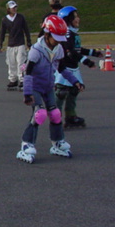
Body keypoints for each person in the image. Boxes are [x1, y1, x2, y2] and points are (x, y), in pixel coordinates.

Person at [17, 15, 83, 164]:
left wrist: (75, 82)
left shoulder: (58, 49)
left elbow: (62, 69)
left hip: (48, 87)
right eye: (56, 37)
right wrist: (27, 93)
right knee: (39, 114)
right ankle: (27, 144)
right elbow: (28, 73)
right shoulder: (36, 51)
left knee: (55, 114)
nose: (58, 41)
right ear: (47, 34)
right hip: (35, 87)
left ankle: (57, 142)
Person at [55, 6, 103, 128]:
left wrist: (93, 53)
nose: (78, 19)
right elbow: (70, 52)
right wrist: (86, 61)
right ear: (67, 20)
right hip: (64, 67)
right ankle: (55, 117)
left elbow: (77, 49)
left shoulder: (73, 33)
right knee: (61, 92)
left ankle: (71, 116)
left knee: (74, 90)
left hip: (73, 67)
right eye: (75, 17)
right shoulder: (66, 34)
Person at [0, 0, 32, 90]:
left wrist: (28, 41)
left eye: (15, 7)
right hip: (11, 44)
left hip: (20, 43)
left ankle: (22, 79)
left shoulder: (20, 17)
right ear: (8, 9)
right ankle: (13, 80)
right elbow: (2, 32)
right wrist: (0, 44)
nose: (14, 9)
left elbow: (26, 30)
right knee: (11, 63)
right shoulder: (5, 20)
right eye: (12, 8)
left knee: (21, 62)